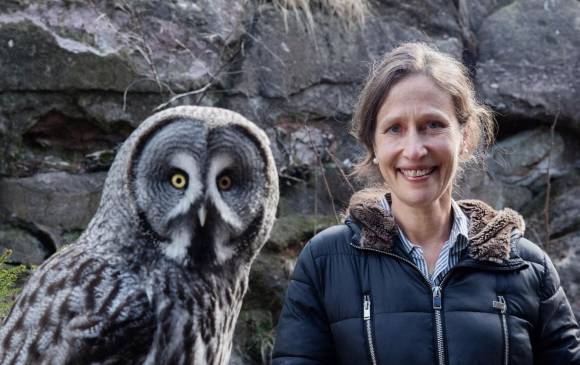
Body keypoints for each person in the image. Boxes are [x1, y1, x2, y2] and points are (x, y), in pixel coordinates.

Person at [271, 43, 580, 365]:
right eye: (395, 129)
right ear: (372, 144)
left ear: (466, 136)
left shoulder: (528, 267)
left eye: (433, 125)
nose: (414, 149)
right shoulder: (325, 262)